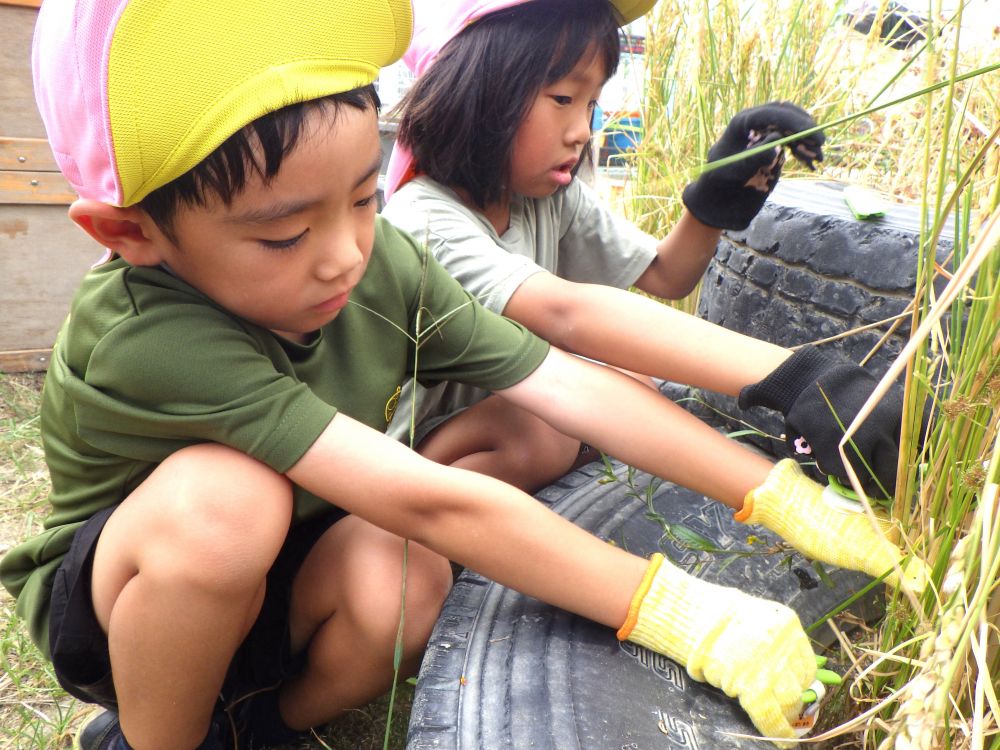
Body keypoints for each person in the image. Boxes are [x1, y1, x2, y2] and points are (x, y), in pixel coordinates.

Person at [0, 1, 924, 749]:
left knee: (404, 568)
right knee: (226, 501)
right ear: (132, 234)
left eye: (365, 197)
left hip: (295, 571)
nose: (344, 257)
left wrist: (783, 496)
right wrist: (687, 615)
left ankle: (261, 730)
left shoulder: (387, 259)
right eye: (285, 233)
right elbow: (438, 498)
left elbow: (565, 380)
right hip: (138, 604)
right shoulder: (145, 332)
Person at [382, 0, 906, 500]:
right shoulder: (425, 221)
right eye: (563, 99)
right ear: (480, 93)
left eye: (591, 103)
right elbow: (564, 312)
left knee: (627, 384)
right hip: (408, 455)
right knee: (545, 429)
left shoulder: (543, 199)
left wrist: (712, 200)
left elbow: (665, 275)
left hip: (502, 408)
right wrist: (802, 378)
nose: (582, 131)